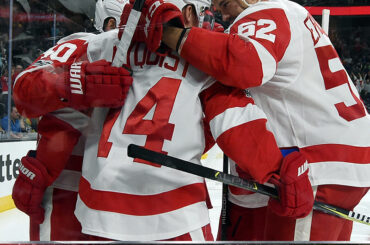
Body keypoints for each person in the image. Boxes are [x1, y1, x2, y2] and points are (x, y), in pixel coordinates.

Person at [13, 0, 312, 241]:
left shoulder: (95, 47)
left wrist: (69, 87)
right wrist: (277, 171)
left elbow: (42, 101)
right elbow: (237, 124)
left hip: (98, 209)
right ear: (188, 12)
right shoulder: (202, 60)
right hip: (179, 214)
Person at [139, 0, 370, 241]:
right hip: (346, 159)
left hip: (315, 163)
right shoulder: (293, 11)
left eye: (223, 3)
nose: (218, 11)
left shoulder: (263, 12)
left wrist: (175, 35)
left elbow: (245, 64)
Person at [12, 0, 132, 240]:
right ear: (111, 23)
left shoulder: (152, 59)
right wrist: (73, 83)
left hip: (126, 197)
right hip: (68, 195)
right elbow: (24, 87)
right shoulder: (82, 44)